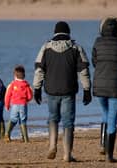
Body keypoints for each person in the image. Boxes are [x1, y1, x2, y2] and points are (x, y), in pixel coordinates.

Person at [33, 21, 91, 162]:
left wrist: (37, 89)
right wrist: (87, 89)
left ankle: (52, 145)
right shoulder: (76, 48)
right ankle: (67, 154)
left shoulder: (45, 48)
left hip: (51, 90)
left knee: (53, 118)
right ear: (68, 33)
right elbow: (83, 70)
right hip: (68, 91)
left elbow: (39, 70)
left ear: (55, 32)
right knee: (68, 122)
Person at [92, 17, 117, 162]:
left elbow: (94, 62)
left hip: (99, 84)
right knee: (112, 117)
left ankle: (103, 144)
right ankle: (109, 155)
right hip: (116, 85)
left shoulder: (97, 41)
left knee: (105, 113)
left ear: (102, 29)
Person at [4, 65, 33, 143]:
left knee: (13, 119)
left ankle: (7, 133)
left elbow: (8, 95)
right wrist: (26, 100)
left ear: (15, 75)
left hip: (14, 105)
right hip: (23, 105)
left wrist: (7, 105)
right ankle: (25, 139)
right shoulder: (26, 85)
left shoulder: (12, 84)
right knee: (23, 120)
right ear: (24, 75)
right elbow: (30, 96)